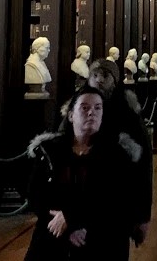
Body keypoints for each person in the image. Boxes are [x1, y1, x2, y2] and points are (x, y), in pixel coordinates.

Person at [25, 86, 138, 261]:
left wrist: (71, 219)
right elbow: (36, 195)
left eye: (97, 108)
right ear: (71, 115)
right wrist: (66, 228)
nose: (91, 113)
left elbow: (117, 200)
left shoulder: (116, 155)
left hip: (101, 242)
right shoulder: (51, 151)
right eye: (84, 108)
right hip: (54, 238)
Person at [82, 59, 152, 245]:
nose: (98, 80)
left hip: (118, 204)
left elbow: (143, 166)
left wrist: (142, 216)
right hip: (82, 205)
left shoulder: (127, 111)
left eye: (105, 76)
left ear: (114, 80)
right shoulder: (78, 105)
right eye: (95, 75)